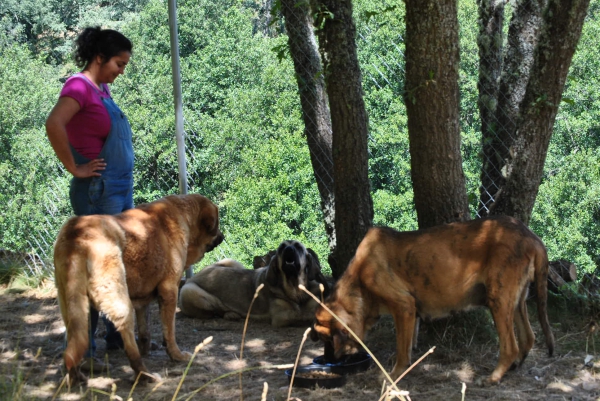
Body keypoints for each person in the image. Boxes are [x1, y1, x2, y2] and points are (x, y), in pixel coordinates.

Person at [46, 27, 134, 371]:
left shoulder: (103, 89)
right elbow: (54, 123)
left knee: (117, 264)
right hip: (97, 192)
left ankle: (116, 337)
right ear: (99, 57)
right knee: (96, 268)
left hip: (118, 188)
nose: (121, 70)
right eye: (118, 62)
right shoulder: (79, 86)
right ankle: (88, 347)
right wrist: (75, 167)